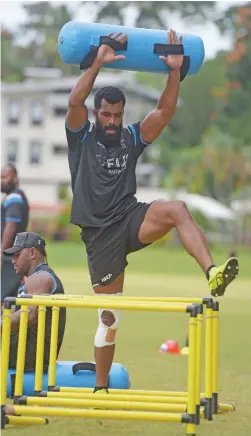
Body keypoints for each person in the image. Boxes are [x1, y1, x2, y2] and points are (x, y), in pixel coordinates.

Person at [65, 29, 239, 394]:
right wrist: (97, 62)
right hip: (99, 235)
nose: (112, 121)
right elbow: (74, 101)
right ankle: (101, 389)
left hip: (131, 217)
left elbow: (164, 110)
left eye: (117, 115)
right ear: (97, 114)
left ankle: (212, 273)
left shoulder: (130, 137)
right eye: (106, 115)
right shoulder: (82, 136)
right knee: (110, 320)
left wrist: (174, 70)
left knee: (177, 208)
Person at [1, 232, 66, 416]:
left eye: (17, 255)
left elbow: (29, 317)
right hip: (26, 349)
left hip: (31, 354)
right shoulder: (34, 280)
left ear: (32, 252)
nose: (12, 260)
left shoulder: (40, 279)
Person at [1, 163, 29, 303]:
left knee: (3, 298)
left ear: (15, 178)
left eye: (5, 177)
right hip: (13, 256)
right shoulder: (17, 196)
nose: (2, 181)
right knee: (12, 299)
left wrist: (2, 253)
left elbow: (11, 226)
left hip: (8, 258)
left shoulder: (14, 197)